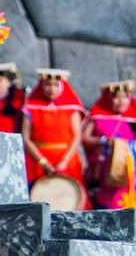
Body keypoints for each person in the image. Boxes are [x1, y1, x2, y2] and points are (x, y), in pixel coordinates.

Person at [83, 80, 136, 210]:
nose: (121, 101)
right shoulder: (98, 117)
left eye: (125, 97)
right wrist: (103, 140)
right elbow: (84, 137)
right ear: (109, 99)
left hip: (129, 171)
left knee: (126, 205)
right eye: (116, 97)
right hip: (104, 170)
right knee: (105, 204)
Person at [22, 69, 86, 202]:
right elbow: (26, 138)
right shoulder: (31, 108)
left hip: (67, 160)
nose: (51, 89)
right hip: (38, 161)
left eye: (55, 85)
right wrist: (43, 162)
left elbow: (77, 137)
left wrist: (64, 162)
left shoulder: (71, 109)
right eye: (47, 84)